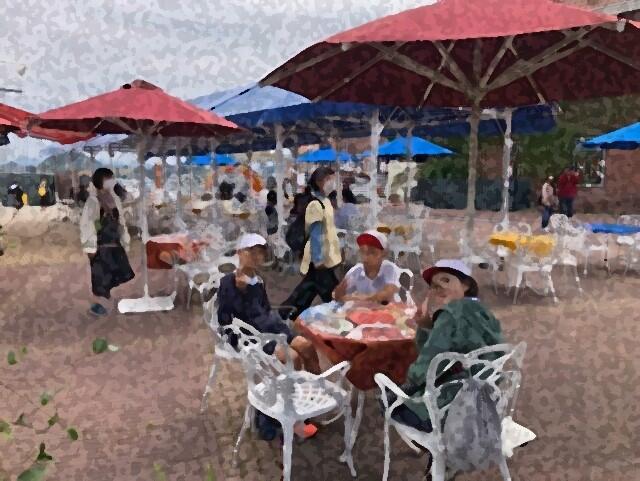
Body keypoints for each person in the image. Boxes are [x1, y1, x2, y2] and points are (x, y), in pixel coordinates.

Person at [381, 260, 503, 433]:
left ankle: (434, 441)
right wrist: (427, 324)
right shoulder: (483, 311)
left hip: (454, 408)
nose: (439, 288)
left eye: (446, 280)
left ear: (466, 284)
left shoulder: (450, 314)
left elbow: (426, 364)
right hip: (486, 398)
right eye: (434, 286)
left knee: (386, 398)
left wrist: (406, 386)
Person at [217, 233, 320, 440]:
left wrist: (284, 329)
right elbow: (225, 319)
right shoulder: (228, 282)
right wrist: (240, 292)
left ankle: (311, 397)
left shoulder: (258, 281)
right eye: (250, 251)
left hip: (271, 328)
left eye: (259, 253)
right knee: (292, 358)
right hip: (251, 337)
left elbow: (265, 311)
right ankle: (286, 415)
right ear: (239, 253)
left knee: (307, 346)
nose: (255, 256)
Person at [282, 167, 342, 320]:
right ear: (319, 182)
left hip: (326, 256)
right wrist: (318, 259)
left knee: (308, 289)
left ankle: (286, 313)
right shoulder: (315, 204)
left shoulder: (326, 201)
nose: (332, 182)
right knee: (332, 293)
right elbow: (316, 233)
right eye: (329, 179)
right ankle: (340, 316)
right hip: (319, 257)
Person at [80, 168, 134, 316]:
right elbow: (87, 225)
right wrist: (90, 247)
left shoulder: (115, 199)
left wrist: (125, 240)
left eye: (112, 178)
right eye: (108, 179)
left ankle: (106, 303)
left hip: (115, 245)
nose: (111, 181)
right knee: (100, 278)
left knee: (114, 274)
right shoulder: (93, 201)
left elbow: (121, 222)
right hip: (100, 246)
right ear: (100, 181)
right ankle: (101, 305)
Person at [333, 230, 401, 303]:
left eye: (372, 252)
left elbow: (387, 294)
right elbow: (338, 296)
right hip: (363, 309)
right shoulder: (356, 271)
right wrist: (338, 293)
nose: (366, 257)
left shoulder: (389, 269)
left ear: (384, 253)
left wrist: (356, 298)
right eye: (362, 251)